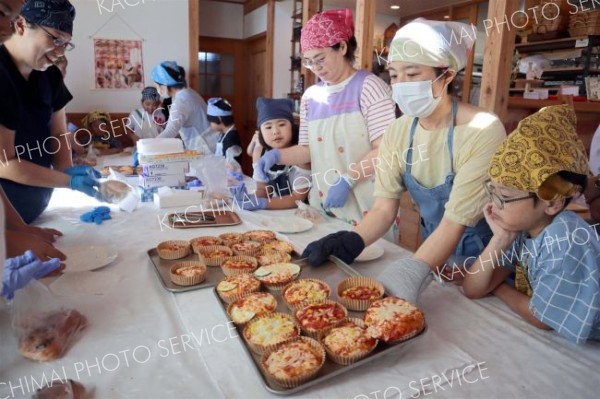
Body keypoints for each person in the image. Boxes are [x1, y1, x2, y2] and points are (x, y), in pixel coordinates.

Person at [302, 18, 507, 304]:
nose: (400, 85)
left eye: (412, 74)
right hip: (432, 250)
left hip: (484, 257)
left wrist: (412, 270)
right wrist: (351, 241)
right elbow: (384, 207)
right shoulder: (400, 131)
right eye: (395, 75)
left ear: (446, 75)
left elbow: (456, 220)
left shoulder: (483, 130)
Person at [461, 105, 599, 344]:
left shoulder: (563, 240)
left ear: (552, 203)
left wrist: (500, 288)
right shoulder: (525, 228)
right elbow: (472, 288)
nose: (492, 206)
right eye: (491, 191)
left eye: (504, 196)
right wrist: (499, 240)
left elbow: (542, 318)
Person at [254, 9, 397, 235]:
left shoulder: (370, 87)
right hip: (321, 207)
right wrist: (278, 155)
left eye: (320, 59)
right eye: (309, 62)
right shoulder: (311, 97)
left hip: (368, 209)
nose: (315, 68)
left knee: (367, 267)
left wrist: (348, 180)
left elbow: (386, 150)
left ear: (341, 47)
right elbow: (308, 151)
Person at [0, 0, 101, 224]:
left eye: (66, 44)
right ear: (21, 26)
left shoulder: (50, 76)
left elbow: (58, 134)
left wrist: (68, 171)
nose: (59, 52)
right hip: (6, 218)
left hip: (38, 207)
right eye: (55, 39)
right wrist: (67, 181)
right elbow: (4, 163)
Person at [233, 97, 311, 210]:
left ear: (292, 127)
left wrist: (262, 204)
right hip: (278, 213)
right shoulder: (259, 153)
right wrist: (249, 198)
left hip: (304, 214)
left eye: (282, 124)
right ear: (260, 131)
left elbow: (297, 199)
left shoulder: (301, 155)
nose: (275, 131)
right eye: (268, 127)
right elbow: (263, 190)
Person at [152, 61, 218, 153]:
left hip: (205, 146)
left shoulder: (181, 101)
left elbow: (170, 131)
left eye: (158, 86)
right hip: (208, 141)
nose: (158, 90)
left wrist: (147, 146)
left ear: (165, 85)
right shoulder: (188, 93)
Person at [206, 97, 241, 163]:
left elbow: (231, 163)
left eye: (211, 122)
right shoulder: (226, 134)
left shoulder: (231, 138)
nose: (210, 125)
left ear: (219, 119)